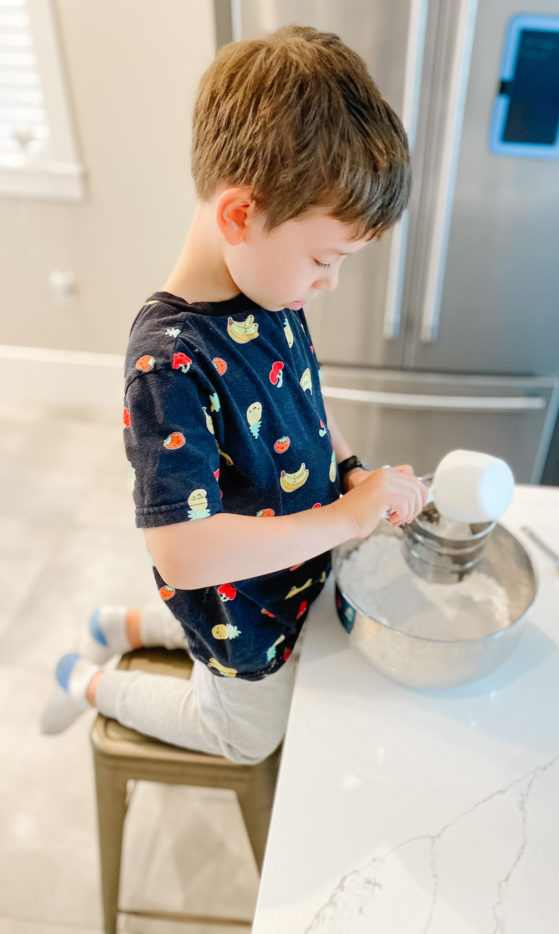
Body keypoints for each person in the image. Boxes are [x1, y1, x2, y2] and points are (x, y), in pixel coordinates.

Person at [41, 25, 428, 764]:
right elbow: (185, 559)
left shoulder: (271, 288)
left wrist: (350, 470)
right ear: (240, 216)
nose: (329, 280)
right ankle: (85, 678)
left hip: (294, 570)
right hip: (236, 608)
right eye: (325, 258)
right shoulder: (168, 364)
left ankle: (118, 625)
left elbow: (305, 398)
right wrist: (347, 517)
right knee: (248, 737)